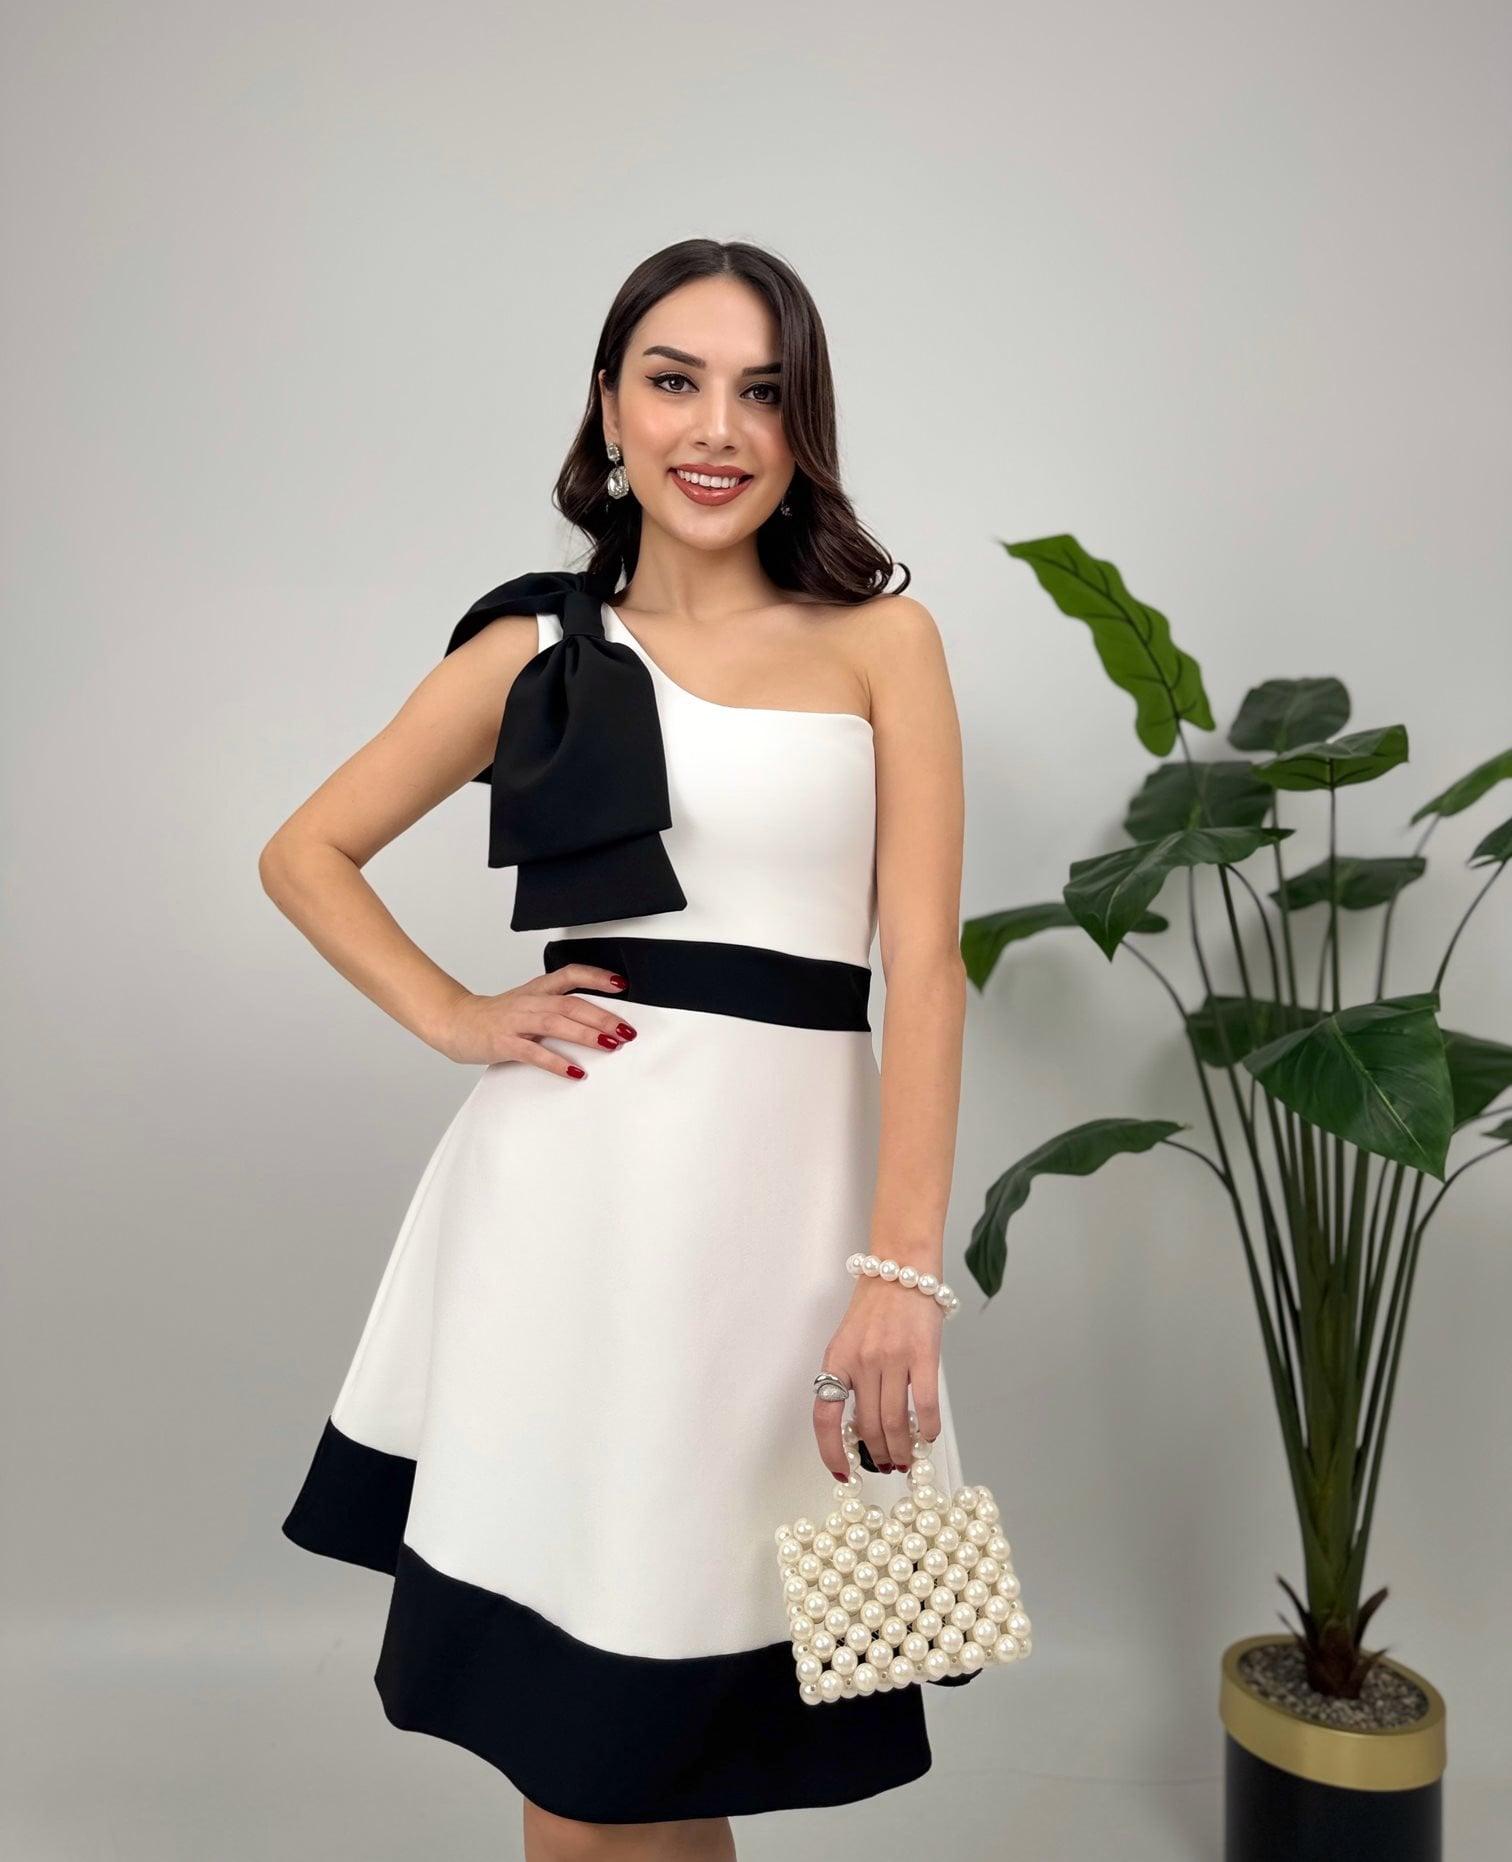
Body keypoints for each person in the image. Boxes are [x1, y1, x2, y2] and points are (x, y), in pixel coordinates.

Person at [264, 237, 974, 1862]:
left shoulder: (885, 643)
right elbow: (305, 850)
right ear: (608, 408)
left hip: (794, 1243)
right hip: (573, 1233)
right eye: (674, 381)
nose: (716, 427)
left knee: (678, 1726)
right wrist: (453, 1011)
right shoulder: (535, 647)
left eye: (762, 392)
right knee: (583, 1749)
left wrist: (902, 1272)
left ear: (803, 426)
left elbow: (926, 971)